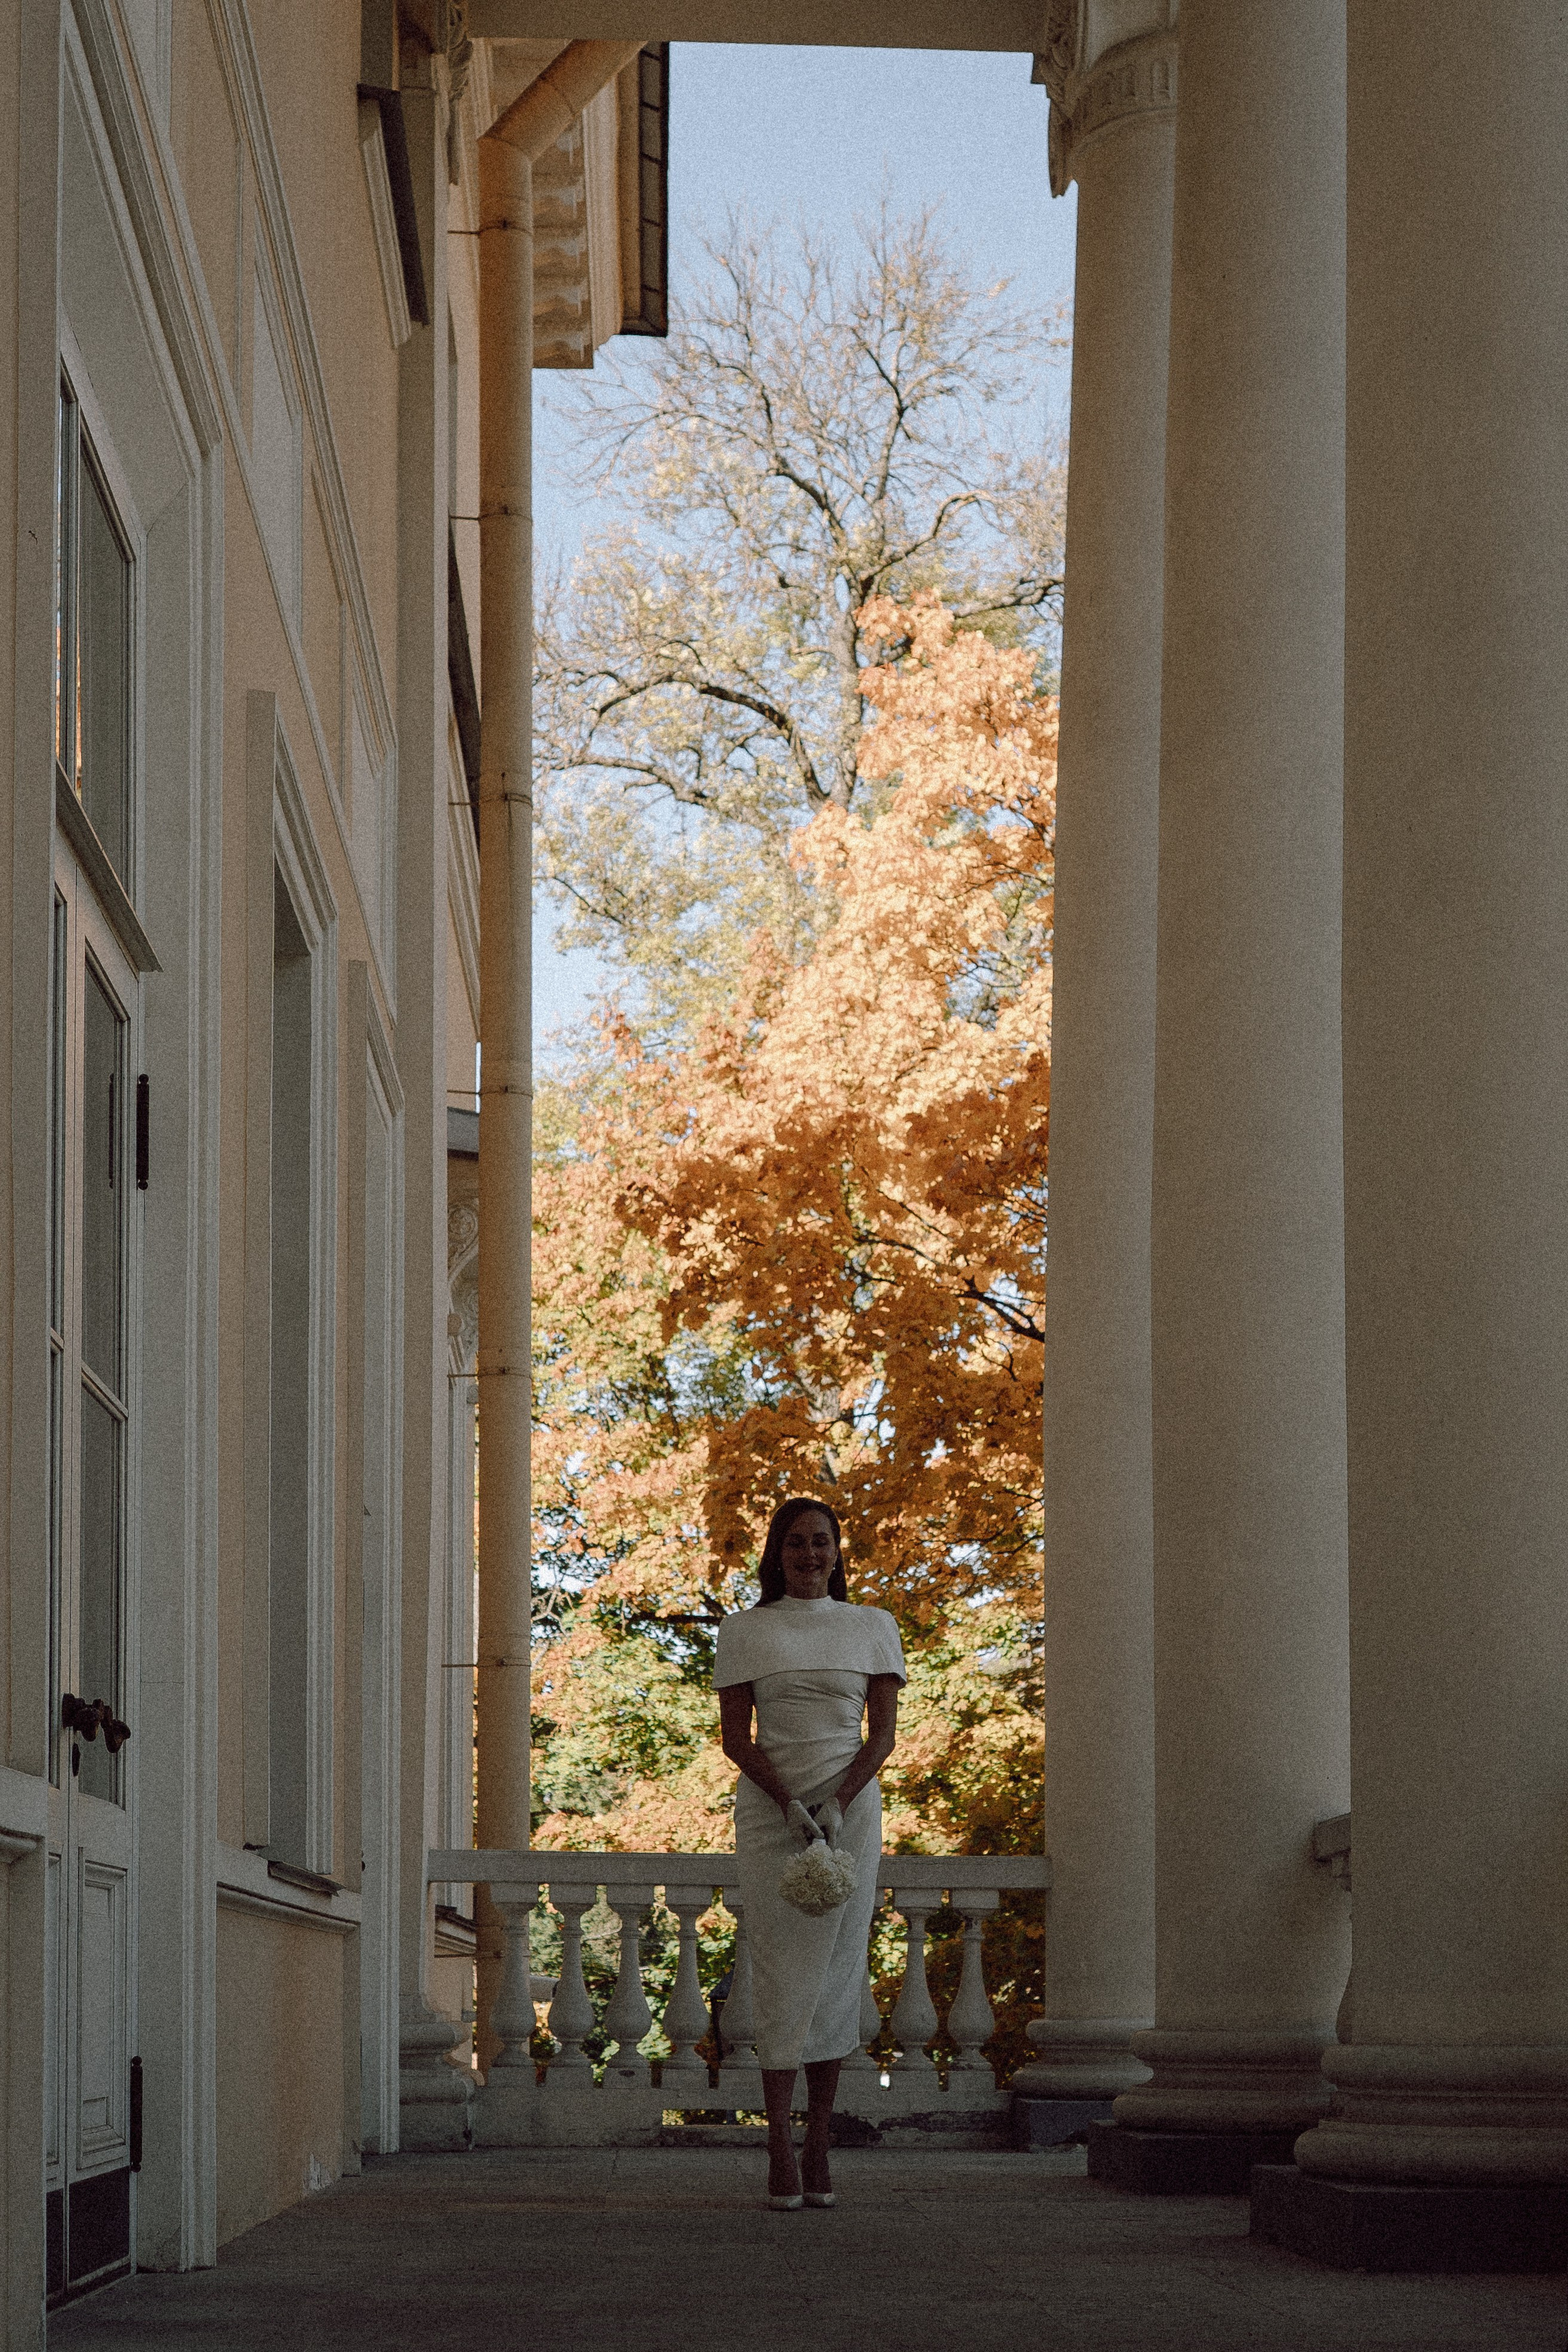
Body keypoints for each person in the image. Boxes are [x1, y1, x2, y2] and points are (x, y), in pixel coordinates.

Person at [715, 1496, 905, 2209]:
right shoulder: (745, 1631)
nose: (809, 1554)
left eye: (821, 1542)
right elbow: (738, 1737)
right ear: (776, 1552)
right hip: (773, 1815)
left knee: (836, 1973)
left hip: (848, 1813)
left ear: (837, 1550)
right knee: (779, 1972)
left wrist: (836, 1803)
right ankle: (777, 2149)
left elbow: (881, 1735)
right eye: (795, 1543)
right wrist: (791, 1805)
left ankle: (819, 2145)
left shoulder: (872, 1627)